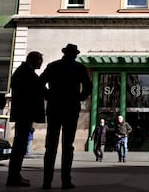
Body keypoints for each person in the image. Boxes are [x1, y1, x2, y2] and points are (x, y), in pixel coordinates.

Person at [40, 44, 93, 190]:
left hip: (54, 108)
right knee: (68, 146)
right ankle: (66, 180)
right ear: (74, 54)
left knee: (50, 146)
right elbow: (89, 86)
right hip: (70, 108)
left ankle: (47, 181)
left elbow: (40, 84)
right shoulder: (79, 67)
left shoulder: (53, 66)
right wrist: (79, 98)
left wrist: (49, 96)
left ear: (64, 53)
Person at [6, 51, 46, 187]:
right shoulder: (26, 73)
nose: (41, 62)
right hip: (25, 114)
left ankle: (15, 175)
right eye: (39, 59)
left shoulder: (24, 72)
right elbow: (40, 90)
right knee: (19, 147)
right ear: (32, 60)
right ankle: (14, 177)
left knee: (20, 146)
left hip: (24, 114)